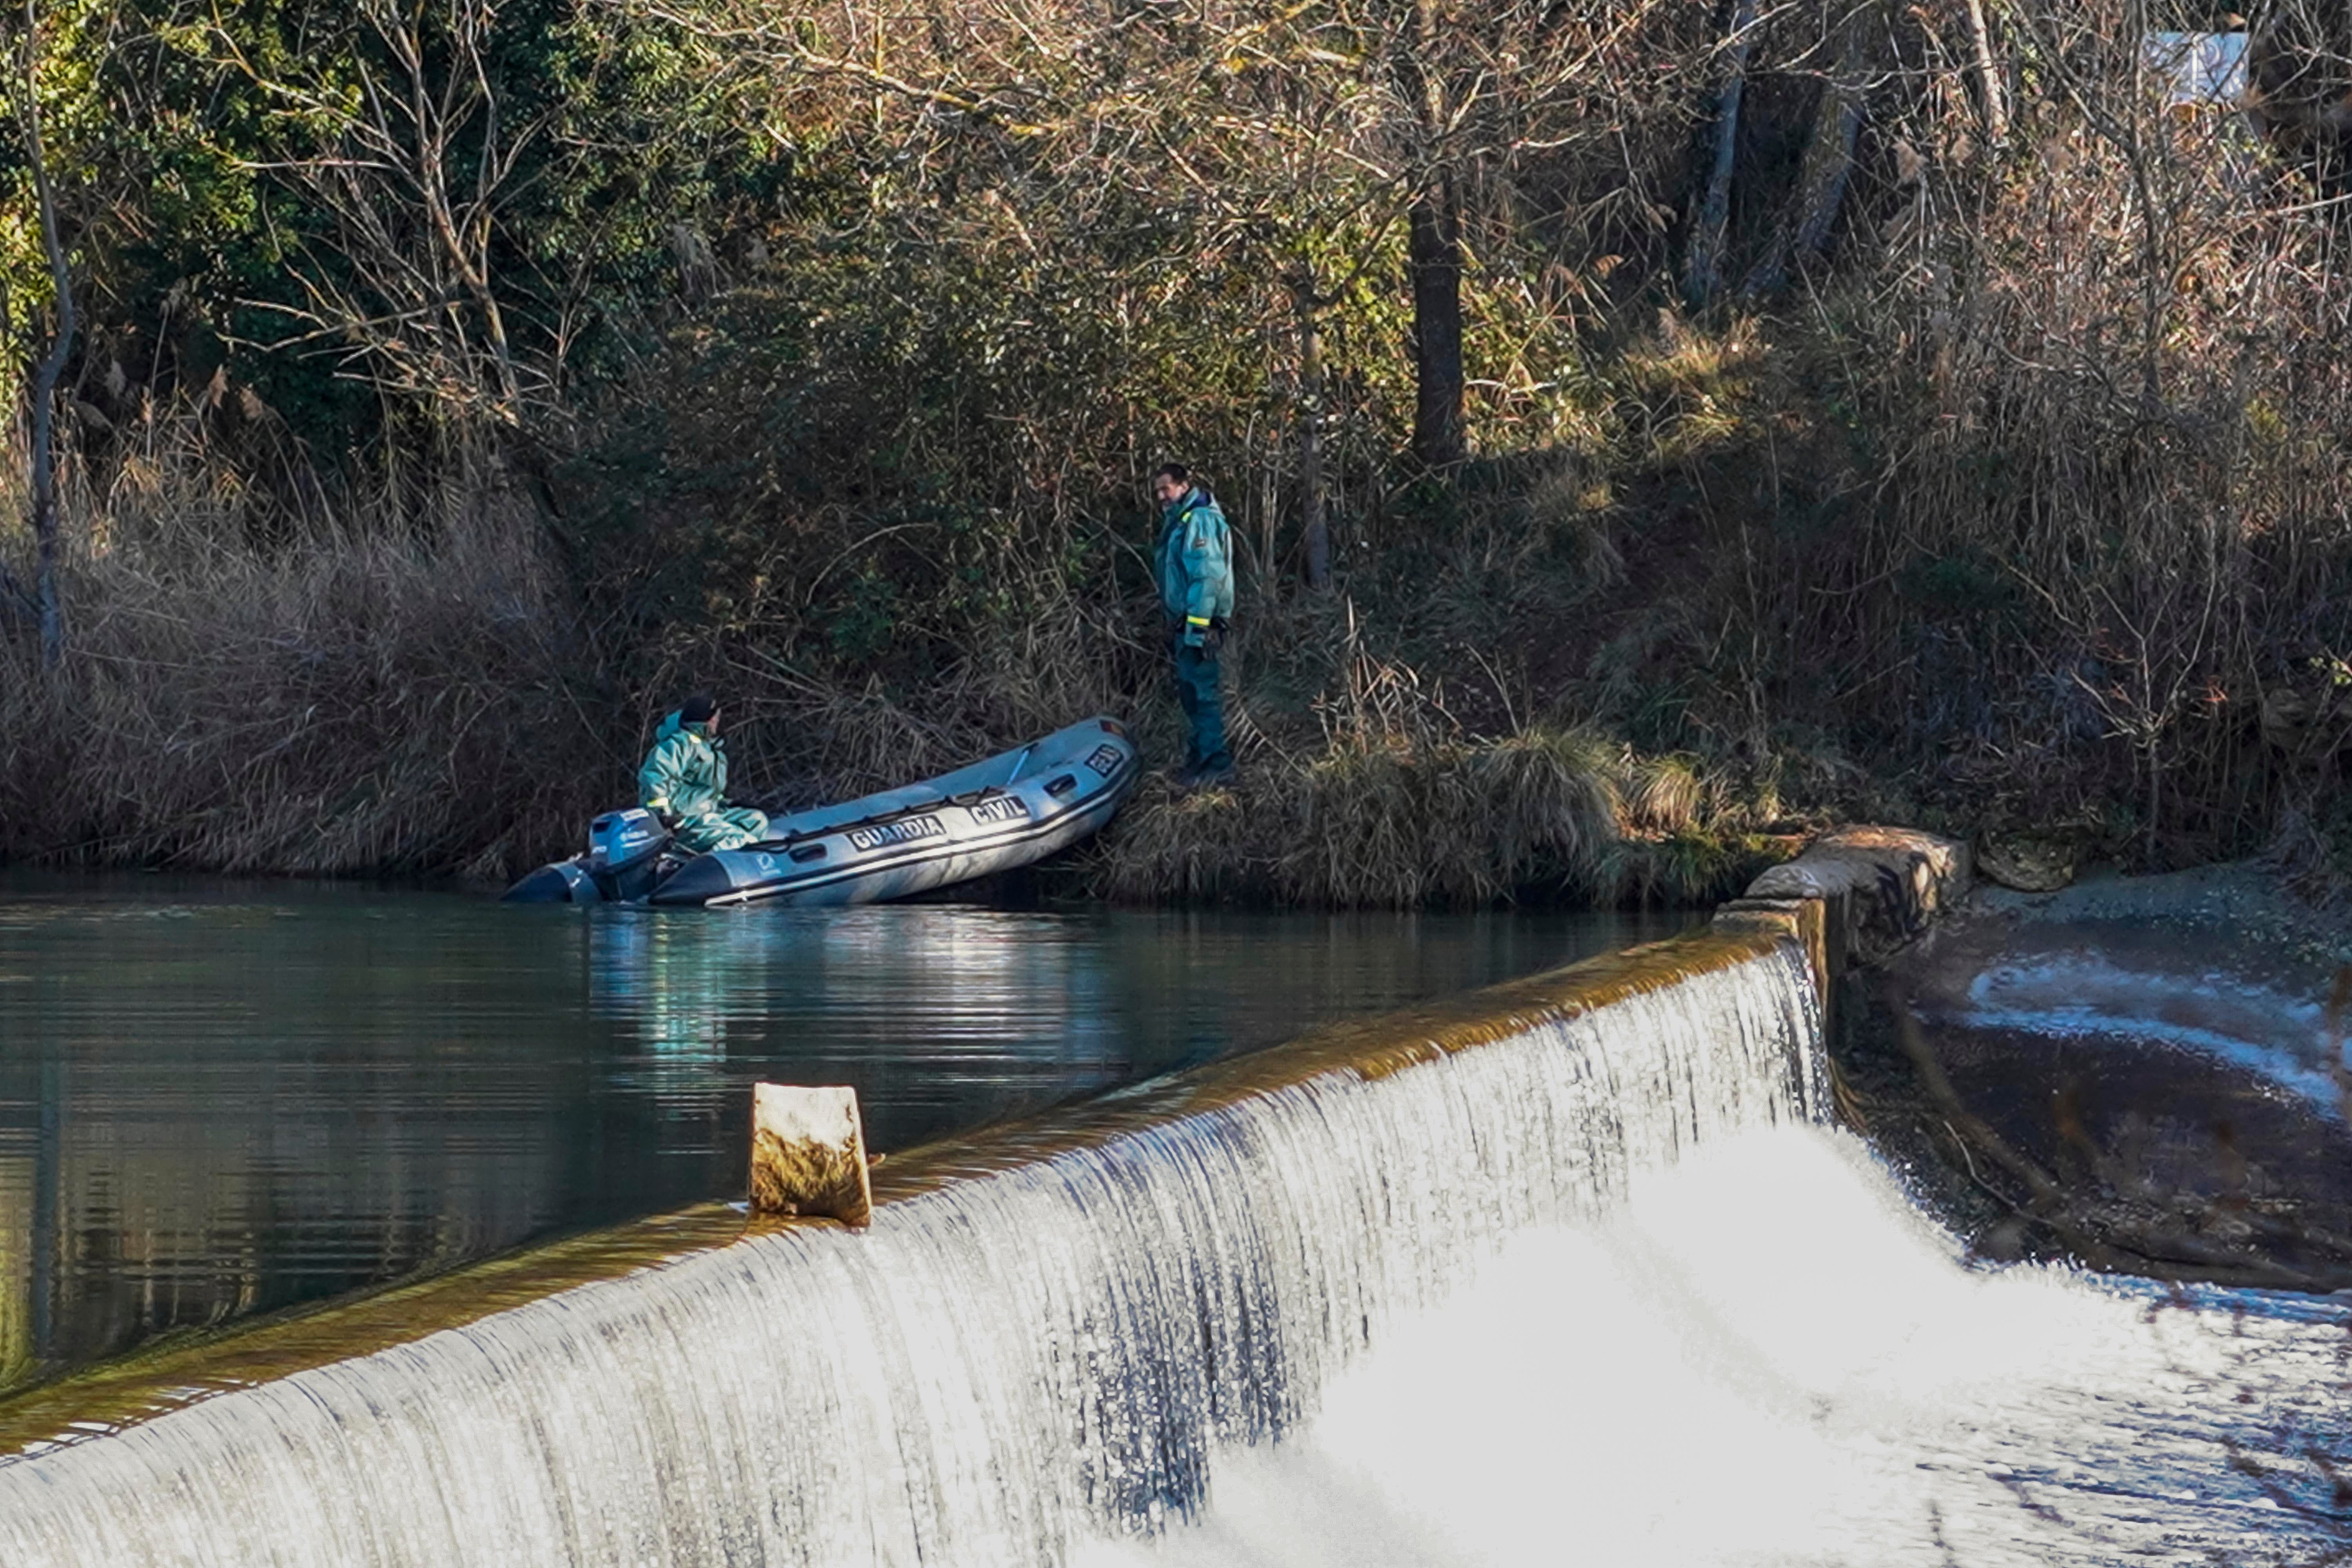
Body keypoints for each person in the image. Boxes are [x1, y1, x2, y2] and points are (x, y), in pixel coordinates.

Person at [1152, 462, 1236, 786]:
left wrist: (1199, 630)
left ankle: (1218, 765)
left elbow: (1207, 577)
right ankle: (1198, 760)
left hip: (1199, 627)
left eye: (1167, 488)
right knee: (1190, 694)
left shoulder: (1199, 520)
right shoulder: (1180, 521)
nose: (1162, 496)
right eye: (1158, 490)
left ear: (1184, 486)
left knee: (1202, 695)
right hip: (1184, 625)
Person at [637, 693, 770, 853]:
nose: (717, 722)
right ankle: (708, 867)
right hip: (684, 820)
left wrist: (727, 803)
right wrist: (664, 816)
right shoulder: (680, 744)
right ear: (704, 720)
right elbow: (656, 777)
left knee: (756, 821)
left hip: (708, 813)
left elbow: (703, 791)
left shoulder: (710, 750)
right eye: (714, 717)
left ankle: (722, 858)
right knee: (742, 840)